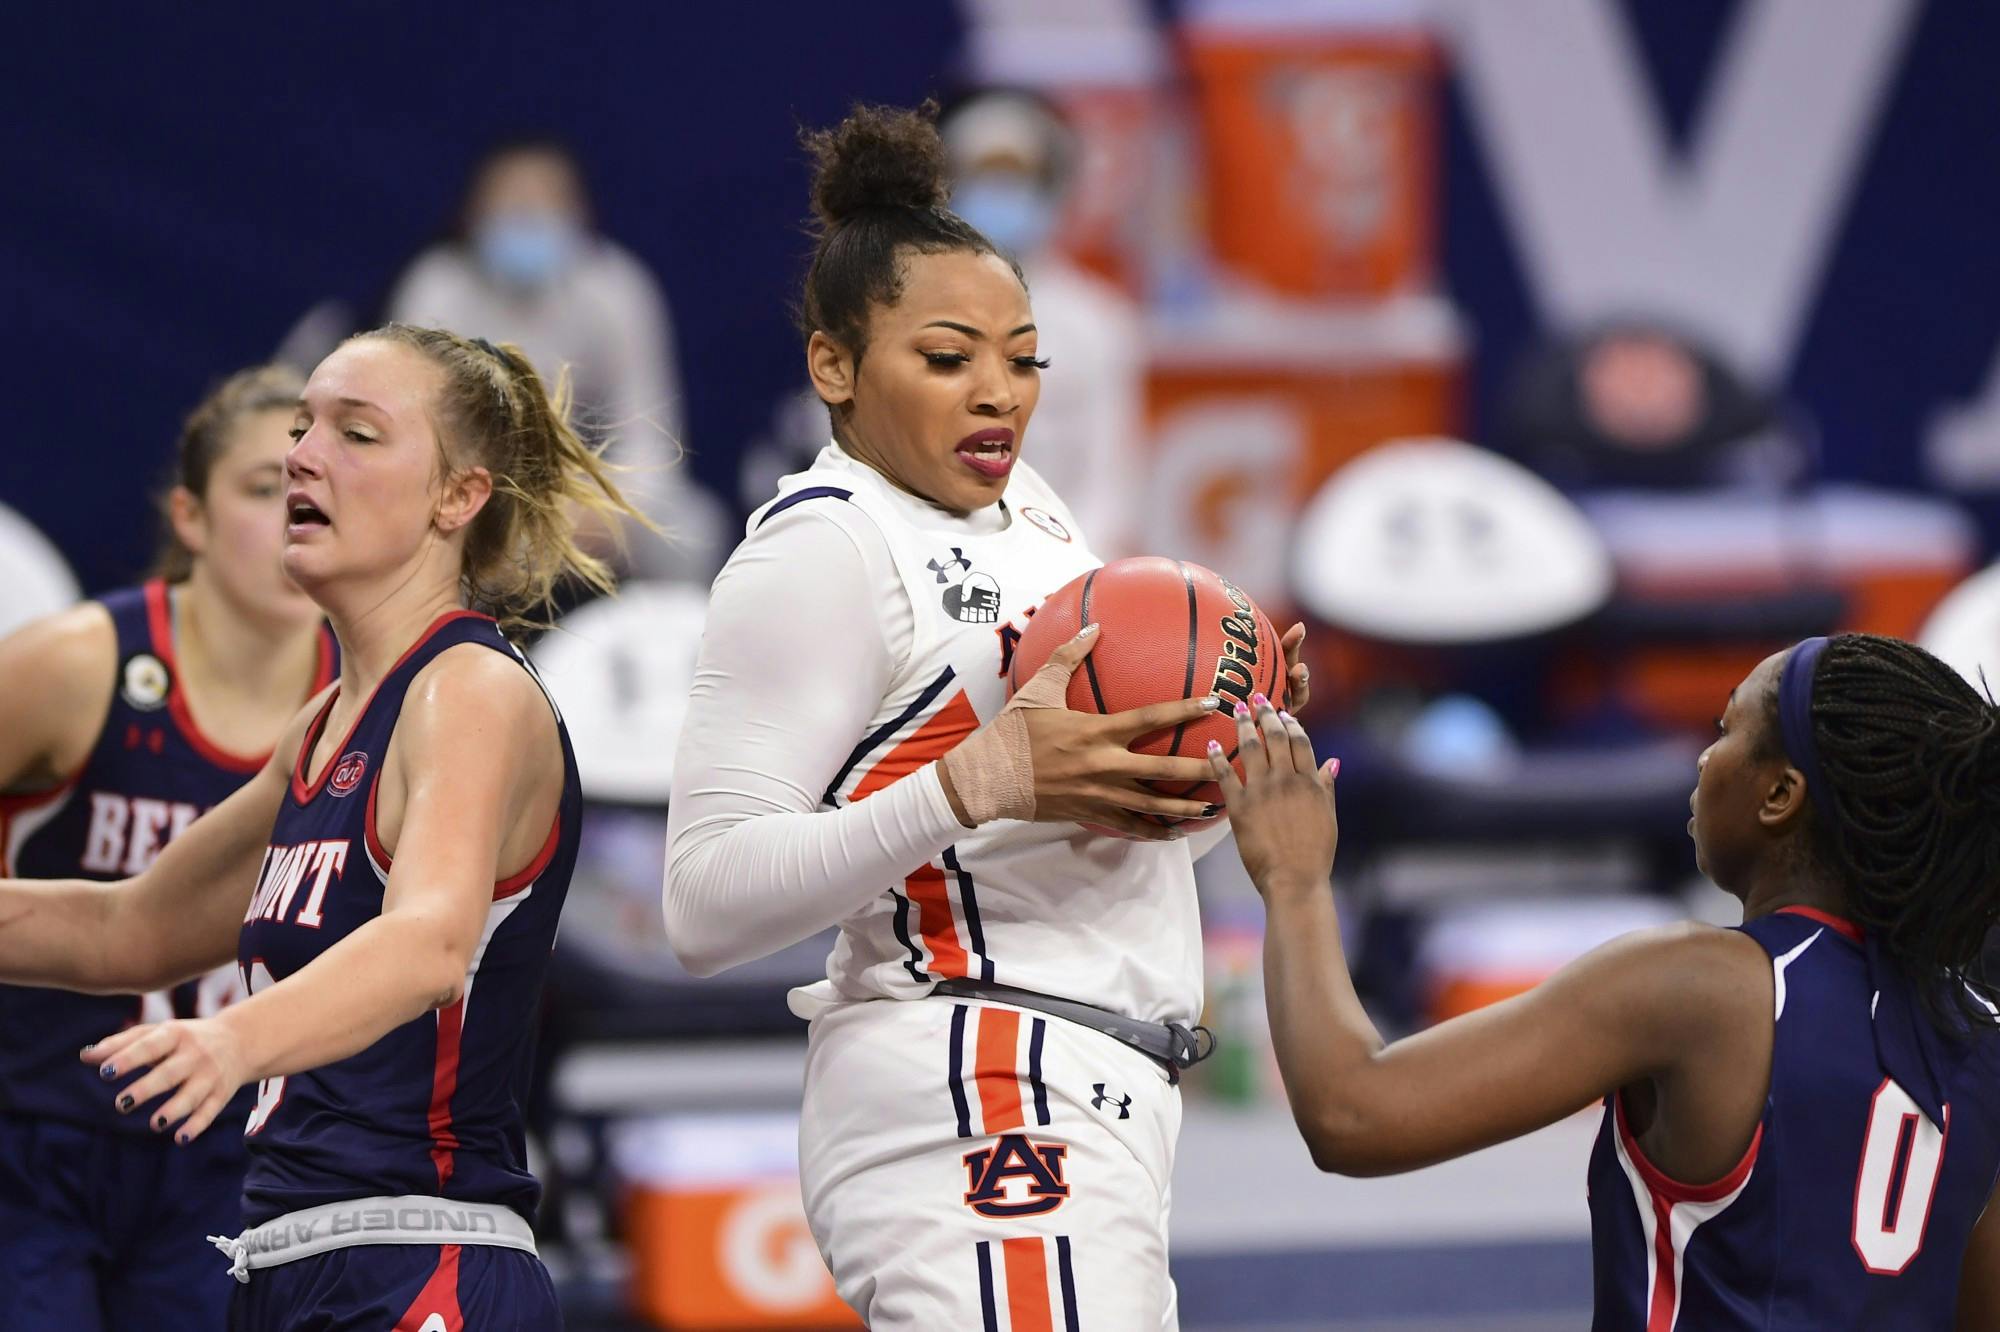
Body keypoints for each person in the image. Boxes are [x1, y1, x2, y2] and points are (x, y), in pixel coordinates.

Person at [662, 102, 1307, 1330]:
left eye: (1023, 359)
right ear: (833, 367)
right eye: (949, 358)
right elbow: (703, 906)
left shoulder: (1037, 519)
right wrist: (973, 782)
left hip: (1089, 1077)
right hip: (975, 1079)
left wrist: (1219, 746)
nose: (997, 393)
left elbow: (1072, 839)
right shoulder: (823, 552)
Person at [0, 324, 646, 1329]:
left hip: (423, 1257)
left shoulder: (466, 688)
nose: (303, 454)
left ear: (456, 496)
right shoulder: (326, 725)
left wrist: (231, 1041)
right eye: (302, 428)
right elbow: (124, 930)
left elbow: (429, 945)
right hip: (285, 1260)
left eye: (357, 433)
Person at [1214, 634, 2000, 1329]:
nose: (1701, 756)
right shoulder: (1983, 1034)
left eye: (1726, 730)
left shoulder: (1699, 988)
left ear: (1779, 795)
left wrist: (1294, 879)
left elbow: (1352, 1112)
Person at [0, 364, 336, 1332]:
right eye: (263, 488)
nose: (290, 515)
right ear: (188, 517)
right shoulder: (77, 665)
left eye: (309, 490)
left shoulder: (368, 701)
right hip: (36, 1132)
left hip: (229, 1146)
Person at [385, 134, 727, 582]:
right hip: (470, 498)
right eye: (511, 197)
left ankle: (672, 648)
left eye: (545, 197)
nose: (528, 213)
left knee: (693, 530)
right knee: (408, 533)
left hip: (591, 503)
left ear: (580, 213)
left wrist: (606, 508)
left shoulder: (617, 289)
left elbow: (650, 435)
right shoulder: (436, 288)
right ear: (471, 213)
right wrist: (488, 509)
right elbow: (414, 433)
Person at [940, 89, 1148, 558]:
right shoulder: (900, 309)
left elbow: (1111, 481)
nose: (1000, 193)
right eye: (984, 176)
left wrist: (1070, 573)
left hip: (1062, 569)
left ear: (1051, 186)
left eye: (1015, 177)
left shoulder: (1099, 322)